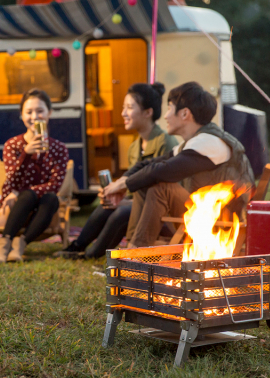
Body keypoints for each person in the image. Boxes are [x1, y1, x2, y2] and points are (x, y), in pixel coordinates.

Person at [102, 81, 255, 248]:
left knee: (160, 188)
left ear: (184, 114)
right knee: (145, 179)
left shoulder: (211, 143)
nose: (166, 116)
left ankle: (136, 251)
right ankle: (133, 247)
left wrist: (125, 184)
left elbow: (163, 171)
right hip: (206, 214)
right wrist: (120, 183)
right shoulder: (195, 142)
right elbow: (149, 165)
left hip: (222, 224)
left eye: (169, 108)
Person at [55, 82, 178, 259]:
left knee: (121, 211)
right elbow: (132, 190)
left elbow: (164, 193)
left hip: (162, 213)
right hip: (142, 207)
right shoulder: (134, 147)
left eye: (129, 107)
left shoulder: (166, 143)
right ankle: (77, 246)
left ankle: (90, 254)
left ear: (148, 112)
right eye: (123, 107)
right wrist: (114, 194)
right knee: (108, 206)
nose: (123, 114)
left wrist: (123, 201)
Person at [0, 89, 70, 263]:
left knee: (51, 198)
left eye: (40, 111)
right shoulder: (13, 145)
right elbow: (12, 180)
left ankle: (20, 244)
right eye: (29, 112)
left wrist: (20, 191)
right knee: (28, 195)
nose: (35, 116)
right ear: (21, 115)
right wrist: (25, 154)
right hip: (16, 205)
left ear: (49, 113)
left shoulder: (59, 148)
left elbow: (55, 184)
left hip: (43, 207)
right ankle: (4, 243)